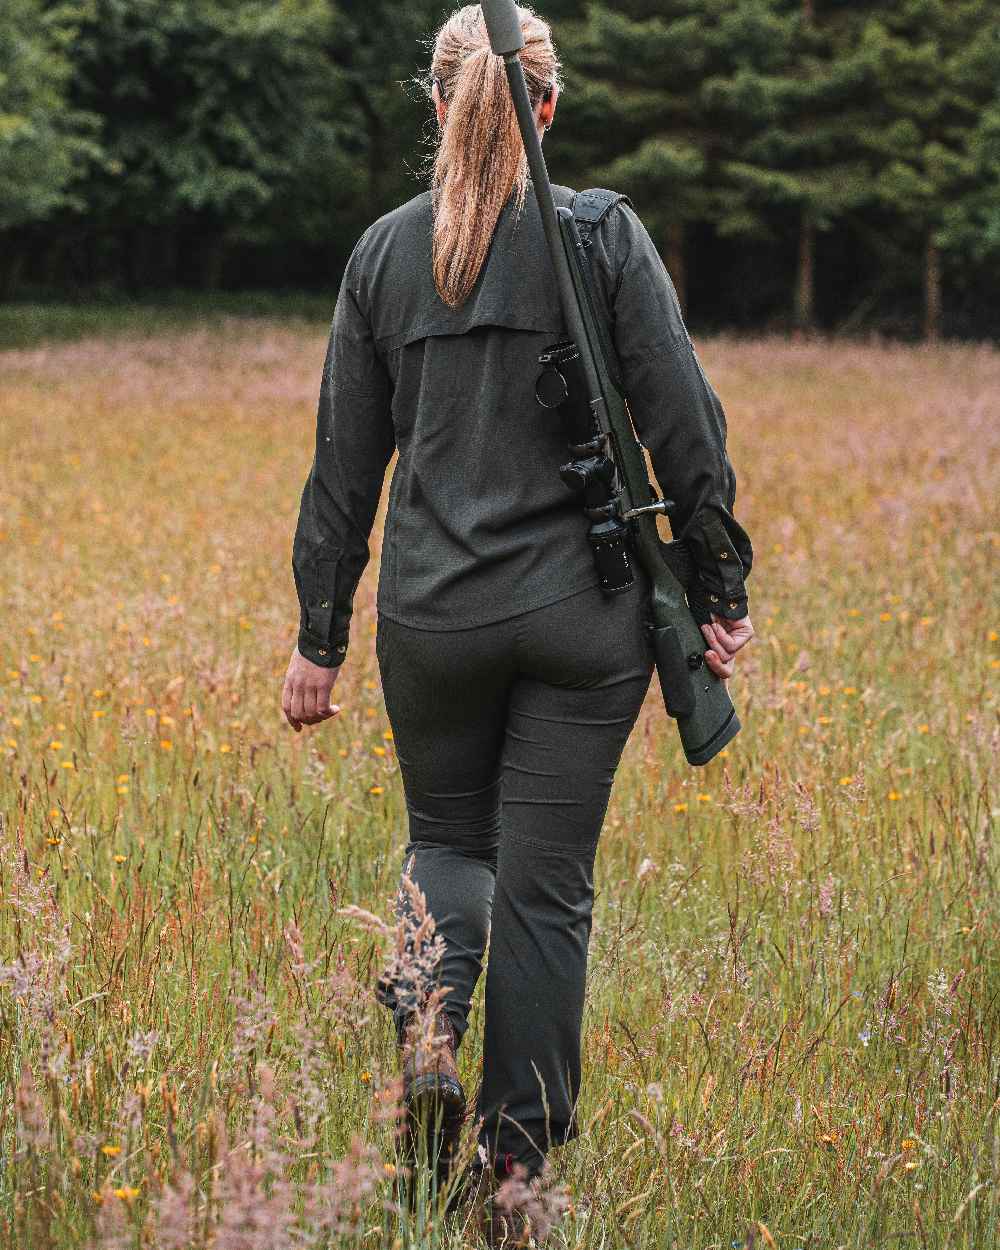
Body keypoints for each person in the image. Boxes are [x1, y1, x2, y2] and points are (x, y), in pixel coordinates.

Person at [281, 1, 755, 1239]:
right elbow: (685, 421)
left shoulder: (384, 254)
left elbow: (342, 467)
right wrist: (717, 590)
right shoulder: (601, 236)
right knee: (547, 893)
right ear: (548, 106)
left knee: (444, 849)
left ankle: (428, 1048)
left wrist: (317, 636)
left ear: (437, 107)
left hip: (430, 622)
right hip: (579, 622)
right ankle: (513, 1179)